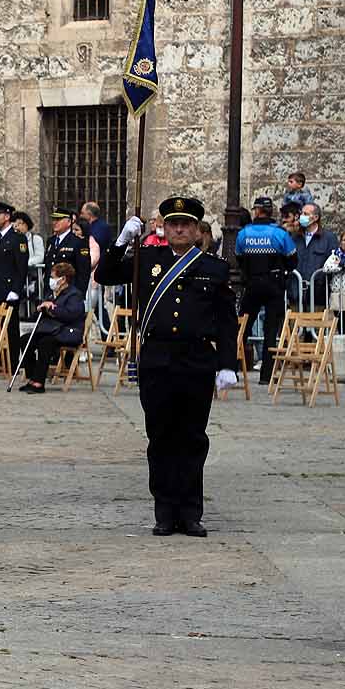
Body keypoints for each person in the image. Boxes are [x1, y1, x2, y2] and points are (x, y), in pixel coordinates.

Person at [97, 197, 239, 537]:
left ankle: (190, 512)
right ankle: (164, 510)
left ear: (196, 230)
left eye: (186, 224)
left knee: (192, 439)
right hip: (157, 361)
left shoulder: (213, 268)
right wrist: (119, 242)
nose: (179, 229)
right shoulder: (146, 259)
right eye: (173, 223)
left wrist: (227, 364)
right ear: (164, 227)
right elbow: (104, 275)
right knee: (160, 438)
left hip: (196, 361)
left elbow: (225, 322)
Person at [235, 196, 297, 383]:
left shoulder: (244, 233)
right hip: (274, 284)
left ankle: (231, 369)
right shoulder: (280, 233)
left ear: (257, 211)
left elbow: (238, 257)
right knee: (271, 330)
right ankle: (267, 375)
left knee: (242, 327)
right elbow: (293, 259)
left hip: (252, 284)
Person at [17, 262, 85, 393]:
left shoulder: (74, 295)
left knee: (45, 342)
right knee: (25, 340)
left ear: (63, 279)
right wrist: (41, 308)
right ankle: (32, 377)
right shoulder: (53, 294)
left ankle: (39, 382)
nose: (51, 281)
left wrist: (54, 309)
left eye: (53, 277)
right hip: (52, 330)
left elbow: (70, 315)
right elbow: (42, 315)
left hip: (66, 332)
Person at [0, 200, 29, 373]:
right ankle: (0, 361)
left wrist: (16, 290)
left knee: (10, 329)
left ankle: (12, 362)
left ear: (7, 216)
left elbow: (21, 267)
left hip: (9, 292)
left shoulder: (17, 238)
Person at [293, 204, 338, 309]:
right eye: (301, 213)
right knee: (294, 324)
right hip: (296, 292)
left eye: (306, 214)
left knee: (317, 324)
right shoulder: (295, 237)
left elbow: (333, 262)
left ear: (316, 217)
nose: (302, 217)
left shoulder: (328, 238)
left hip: (318, 293)